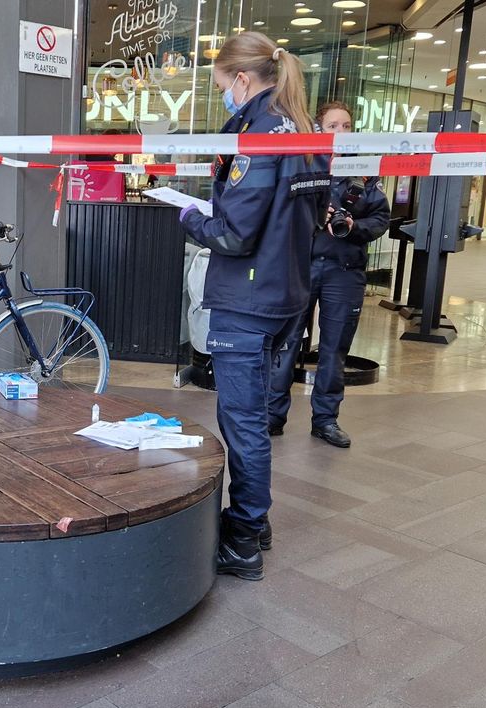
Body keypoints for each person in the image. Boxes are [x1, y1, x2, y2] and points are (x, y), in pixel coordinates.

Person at [178, 32, 331, 581]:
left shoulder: (260, 136)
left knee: (241, 418)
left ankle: (243, 537)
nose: (223, 96)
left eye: (221, 85)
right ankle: (255, 522)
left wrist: (192, 218)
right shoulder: (302, 130)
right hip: (286, 291)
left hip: (249, 296)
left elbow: (235, 233)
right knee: (255, 413)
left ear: (241, 79)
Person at [267, 102, 391, 451]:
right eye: (333, 125)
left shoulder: (365, 170)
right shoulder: (303, 163)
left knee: (335, 348)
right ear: (318, 129)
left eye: (347, 125)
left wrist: (353, 227)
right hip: (301, 266)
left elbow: (380, 219)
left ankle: (325, 420)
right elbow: (281, 212)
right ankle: (272, 416)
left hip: (345, 270)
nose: (341, 132)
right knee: (286, 343)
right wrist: (313, 215)